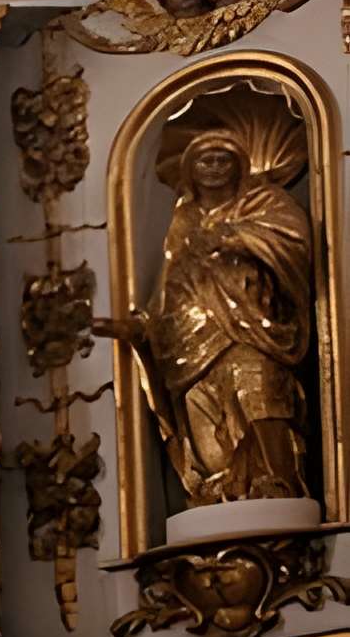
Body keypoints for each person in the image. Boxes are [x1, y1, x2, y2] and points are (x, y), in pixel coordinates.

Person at [99, 126, 313, 506]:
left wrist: (233, 237)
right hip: (188, 340)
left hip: (251, 327)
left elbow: (295, 241)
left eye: (222, 159)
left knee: (259, 396)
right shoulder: (183, 219)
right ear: (190, 170)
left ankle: (278, 484)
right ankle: (216, 491)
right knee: (203, 417)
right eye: (204, 160)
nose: (213, 168)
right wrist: (141, 326)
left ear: (238, 165)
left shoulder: (264, 201)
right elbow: (171, 285)